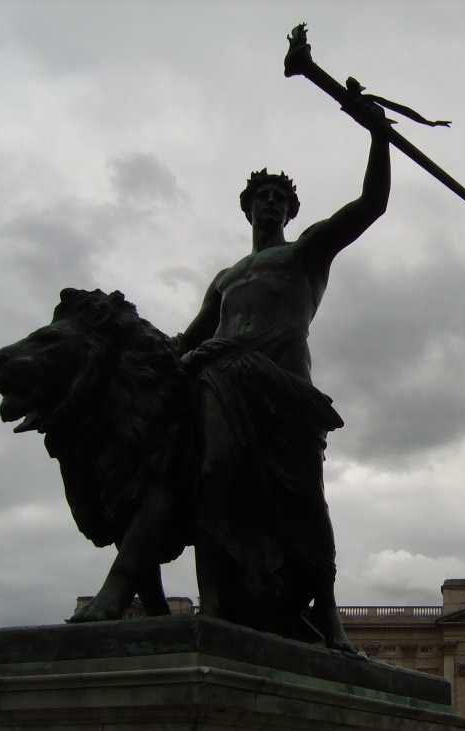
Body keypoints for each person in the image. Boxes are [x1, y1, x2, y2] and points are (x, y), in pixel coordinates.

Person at [176, 102, 391, 650]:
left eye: (280, 198)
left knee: (305, 498)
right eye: (260, 197)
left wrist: (378, 134)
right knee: (212, 475)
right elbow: (187, 341)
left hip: (285, 392)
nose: (269, 203)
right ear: (247, 209)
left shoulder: (306, 252)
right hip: (223, 379)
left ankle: (326, 609)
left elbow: (371, 204)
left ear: (292, 211)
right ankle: (219, 602)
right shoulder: (225, 278)